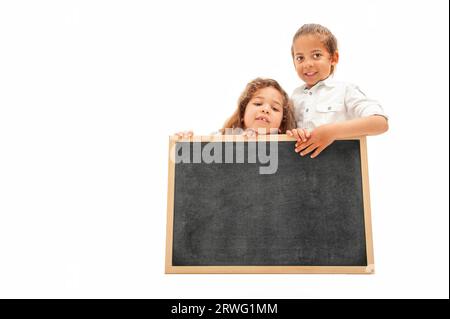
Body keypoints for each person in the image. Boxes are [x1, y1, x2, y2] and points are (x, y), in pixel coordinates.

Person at [286, 23, 389, 158]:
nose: (307, 64)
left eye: (316, 55)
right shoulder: (294, 97)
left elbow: (380, 123)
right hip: (300, 173)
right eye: (300, 58)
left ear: (334, 58)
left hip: (340, 171)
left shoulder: (345, 90)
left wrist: (331, 131)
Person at [175, 78, 296, 138]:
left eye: (274, 108)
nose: (265, 109)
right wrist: (187, 143)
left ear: (281, 125)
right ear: (243, 114)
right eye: (258, 104)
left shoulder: (286, 151)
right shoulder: (221, 138)